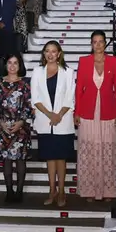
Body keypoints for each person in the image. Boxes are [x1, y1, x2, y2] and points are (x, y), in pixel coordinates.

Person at [73, 31, 116, 202]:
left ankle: (109, 190)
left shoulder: (114, 61)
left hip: (108, 112)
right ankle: (89, 190)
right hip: (87, 111)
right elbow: (79, 88)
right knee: (88, 151)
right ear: (91, 44)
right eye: (95, 42)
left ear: (105, 43)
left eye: (101, 41)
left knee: (109, 150)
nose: (98, 45)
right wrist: (77, 112)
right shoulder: (84, 61)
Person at [30, 41, 76, 207]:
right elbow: (35, 98)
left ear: (59, 54)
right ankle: (52, 190)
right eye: (47, 51)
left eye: (53, 51)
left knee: (61, 158)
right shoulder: (37, 72)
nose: (50, 54)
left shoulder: (68, 72)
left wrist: (59, 115)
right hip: (45, 120)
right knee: (50, 157)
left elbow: (70, 97)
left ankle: (62, 190)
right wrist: (50, 114)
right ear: (44, 54)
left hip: (63, 121)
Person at [0, 55, 35, 202]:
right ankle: (9, 191)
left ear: (20, 65)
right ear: (5, 64)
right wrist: (1, 123)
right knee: (6, 160)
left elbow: (29, 105)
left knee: (20, 160)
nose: (12, 66)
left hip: (20, 127)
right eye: (9, 63)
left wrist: (21, 122)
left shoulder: (25, 84)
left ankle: (19, 192)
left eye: (15, 63)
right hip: (4, 127)